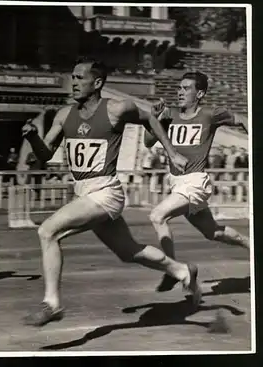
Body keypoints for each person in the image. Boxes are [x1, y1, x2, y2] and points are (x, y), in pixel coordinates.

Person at [21, 58, 201, 327]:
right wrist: (33, 137)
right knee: (129, 252)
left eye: (80, 78)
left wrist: (172, 153)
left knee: (47, 231)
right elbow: (44, 154)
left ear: (97, 83)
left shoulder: (117, 109)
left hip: (105, 191)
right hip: (85, 194)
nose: (73, 82)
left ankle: (53, 303)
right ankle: (183, 271)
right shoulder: (63, 115)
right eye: (72, 77)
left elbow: (149, 118)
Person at [144, 71, 249, 292]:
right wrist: (152, 118)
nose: (180, 92)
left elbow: (242, 120)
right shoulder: (169, 114)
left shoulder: (211, 114)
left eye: (186, 88)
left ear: (200, 93)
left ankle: (172, 270)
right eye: (179, 88)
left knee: (157, 215)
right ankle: (252, 245)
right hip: (177, 183)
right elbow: (147, 141)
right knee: (213, 232)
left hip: (195, 182)